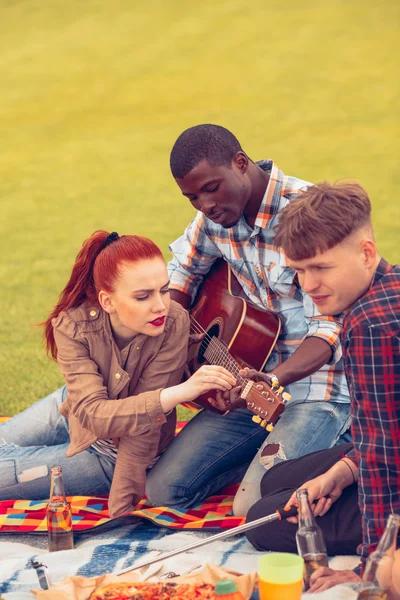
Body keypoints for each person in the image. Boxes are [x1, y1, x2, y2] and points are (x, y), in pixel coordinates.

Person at [145, 124, 351, 516]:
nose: (204, 205)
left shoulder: (307, 213)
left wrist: (273, 380)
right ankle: (273, 461)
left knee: (254, 508)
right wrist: (178, 335)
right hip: (249, 386)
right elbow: (183, 273)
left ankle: (346, 447)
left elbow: (329, 328)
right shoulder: (215, 218)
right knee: (163, 490)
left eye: (210, 188)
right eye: (191, 197)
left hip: (320, 390)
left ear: (241, 163)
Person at [0, 230, 236, 518]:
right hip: (75, 407)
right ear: (107, 301)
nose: (160, 305)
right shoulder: (72, 326)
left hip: (110, 455)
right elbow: (91, 412)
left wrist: (121, 512)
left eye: (163, 289)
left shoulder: (173, 321)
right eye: (142, 296)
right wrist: (178, 393)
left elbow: (144, 431)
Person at [245, 181, 400, 594]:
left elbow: (385, 455)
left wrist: (375, 563)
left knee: (263, 522)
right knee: (277, 483)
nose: (309, 284)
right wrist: (343, 472)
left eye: (321, 267)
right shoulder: (387, 287)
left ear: (365, 252)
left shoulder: (370, 326)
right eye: (298, 270)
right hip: (383, 451)